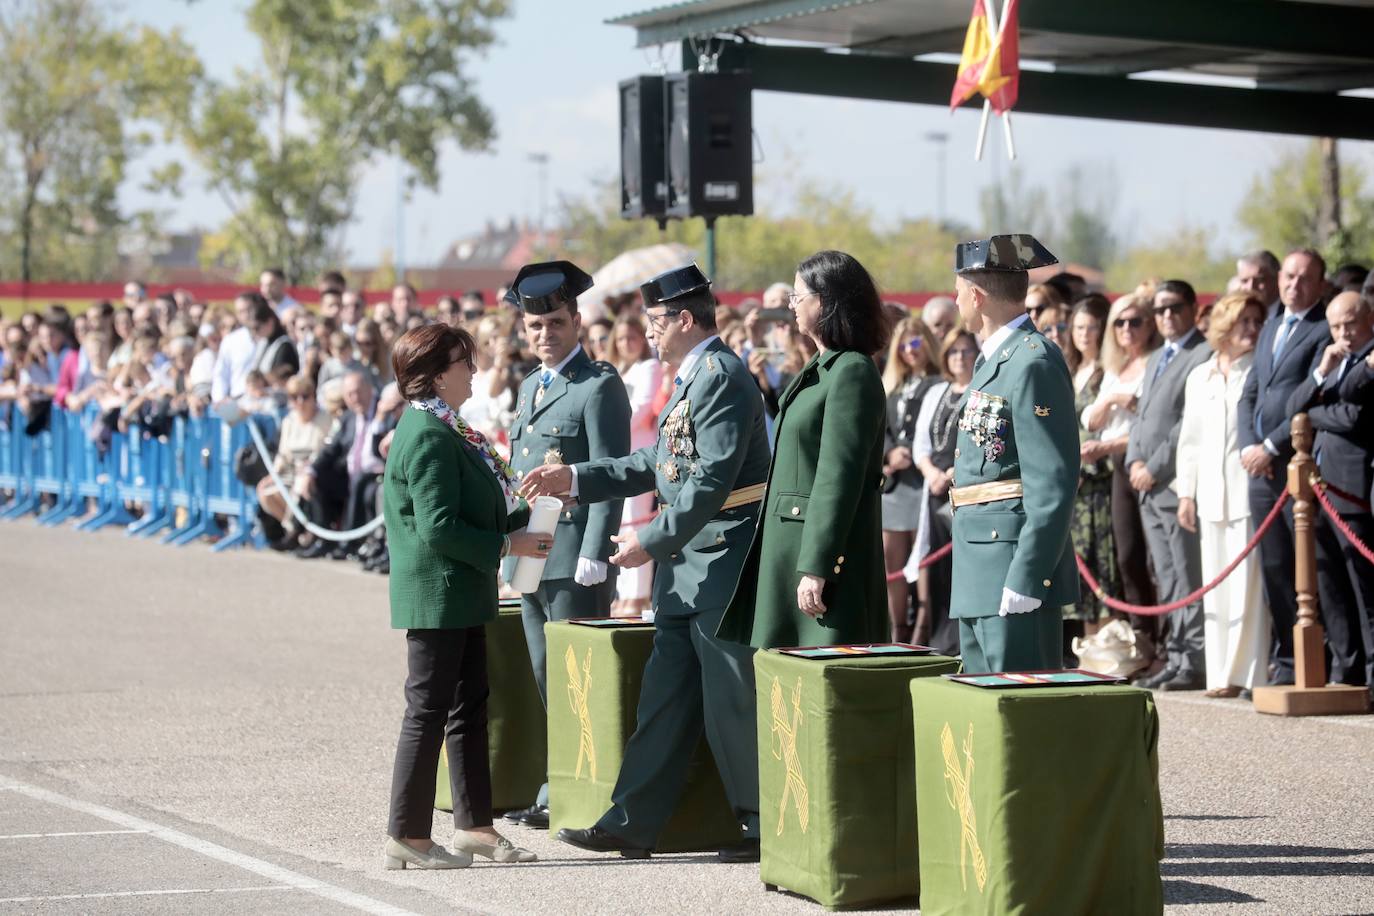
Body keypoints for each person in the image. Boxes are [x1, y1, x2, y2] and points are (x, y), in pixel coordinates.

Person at [521, 262, 771, 863]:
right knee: (664, 699)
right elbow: (653, 462)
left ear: (685, 319)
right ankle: (630, 822)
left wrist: (650, 540)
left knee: (731, 699)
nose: (649, 333)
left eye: (656, 322)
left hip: (721, 556)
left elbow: (710, 480)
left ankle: (762, 823)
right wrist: (573, 477)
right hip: (690, 564)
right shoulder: (691, 378)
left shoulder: (720, 375)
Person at [382, 323, 544, 870]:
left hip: (459, 592)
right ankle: (407, 832)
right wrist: (507, 542)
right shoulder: (428, 434)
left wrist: (526, 509)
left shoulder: (446, 426)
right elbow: (439, 528)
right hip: (439, 593)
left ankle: (473, 826)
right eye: (462, 362)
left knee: (467, 711)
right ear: (433, 375)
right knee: (427, 712)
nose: (472, 370)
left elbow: (474, 504)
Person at [500, 260, 632, 831]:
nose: (544, 335)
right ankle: (560, 783)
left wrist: (595, 549)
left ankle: (590, 787)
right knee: (546, 674)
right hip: (531, 552)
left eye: (555, 323)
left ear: (576, 321)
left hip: (574, 553)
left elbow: (611, 472)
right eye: (535, 327)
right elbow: (519, 473)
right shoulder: (532, 385)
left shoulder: (598, 386)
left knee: (580, 679)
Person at [719, 250, 890, 649]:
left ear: (826, 302)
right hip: (788, 553)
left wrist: (818, 565)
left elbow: (838, 477)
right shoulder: (822, 367)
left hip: (820, 563)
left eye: (799, 296)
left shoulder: (851, 371)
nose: (792, 307)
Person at [946, 235, 1079, 673]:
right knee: (983, 719)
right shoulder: (995, 360)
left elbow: (1052, 482)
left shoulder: (1031, 361)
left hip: (1009, 564)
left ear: (977, 297)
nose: (956, 300)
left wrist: (1030, 574)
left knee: (1020, 715)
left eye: (959, 290)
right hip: (979, 563)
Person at [1238, 248, 1332, 686]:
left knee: (1310, 567)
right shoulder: (1272, 321)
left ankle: (1319, 660)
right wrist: (1247, 446)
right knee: (1274, 567)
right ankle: (1287, 661)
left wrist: (1272, 446)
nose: (1295, 285)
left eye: (1304, 278)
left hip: (1296, 463)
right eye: (1290, 277)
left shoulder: (1323, 327)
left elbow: (1311, 397)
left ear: (1320, 283)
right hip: (1259, 468)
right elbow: (1251, 391)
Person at [1176, 293, 1270, 697]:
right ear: (1224, 327)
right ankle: (1220, 676)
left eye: (1255, 320)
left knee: (1249, 585)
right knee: (1215, 584)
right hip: (1211, 492)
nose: (1251, 329)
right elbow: (1190, 439)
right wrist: (1186, 493)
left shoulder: (1260, 370)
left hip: (1248, 487)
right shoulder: (1201, 376)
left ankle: (1250, 674)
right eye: (1242, 321)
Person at [1127, 280, 1213, 692]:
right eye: (1158, 310)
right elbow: (1143, 418)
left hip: (1174, 481)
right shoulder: (1157, 356)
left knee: (1185, 574)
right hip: (1146, 482)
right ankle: (1176, 654)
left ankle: (1193, 659)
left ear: (1193, 308)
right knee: (1166, 575)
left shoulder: (1202, 353)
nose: (1165, 316)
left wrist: (1154, 467)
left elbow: (1187, 424)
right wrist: (1133, 460)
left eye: (1174, 307)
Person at [1287, 290, 1374, 688]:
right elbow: (1294, 406)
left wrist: (1315, 413)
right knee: (1329, 584)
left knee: (1363, 586)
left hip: (1353, 487)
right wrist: (1321, 373)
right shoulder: (1334, 358)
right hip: (1318, 488)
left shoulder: (1369, 359)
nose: (1344, 333)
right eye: (1337, 325)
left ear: (1368, 320)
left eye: (1351, 324)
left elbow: (1355, 416)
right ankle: (1347, 667)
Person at [1083, 291, 1161, 661]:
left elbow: (1149, 426)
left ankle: (1163, 640)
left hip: (1147, 465)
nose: (1127, 329)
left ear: (1150, 324)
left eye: (1135, 321)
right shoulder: (1114, 368)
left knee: (1156, 560)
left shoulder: (1157, 362)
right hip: (1117, 468)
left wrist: (1107, 438)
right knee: (1127, 556)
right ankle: (1140, 641)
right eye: (1120, 322)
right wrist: (1112, 402)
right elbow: (1091, 420)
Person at [909, 329, 979, 655]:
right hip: (933, 489)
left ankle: (962, 642)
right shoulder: (937, 391)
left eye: (966, 351)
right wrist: (931, 473)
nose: (960, 358)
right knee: (936, 569)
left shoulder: (980, 389)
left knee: (961, 568)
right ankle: (940, 641)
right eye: (954, 352)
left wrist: (952, 473)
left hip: (963, 490)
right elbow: (921, 443)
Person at [879, 315, 942, 642]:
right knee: (893, 560)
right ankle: (897, 628)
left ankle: (923, 627)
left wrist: (909, 452)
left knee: (925, 559)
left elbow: (934, 429)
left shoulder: (938, 383)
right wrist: (890, 453)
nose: (909, 350)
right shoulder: (893, 385)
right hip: (895, 485)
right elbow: (881, 428)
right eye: (903, 345)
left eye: (915, 342)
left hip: (921, 482)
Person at [1066, 294, 1119, 642]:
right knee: (1080, 564)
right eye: (1079, 327)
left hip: (1101, 478)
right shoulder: (1068, 369)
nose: (1085, 334)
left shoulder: (1108, 371)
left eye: (1092, 327)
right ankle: (1087, 647)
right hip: (1072, 483)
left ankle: (1107, 645)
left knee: (1103, 563)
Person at [609, 314, 664, 615]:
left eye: (631, 337)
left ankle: (639, 594)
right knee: (622, 521)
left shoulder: (650, 366)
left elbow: (642, 408)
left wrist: (609, 430)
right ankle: (625, 590)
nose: (626, 343)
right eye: (620, 339)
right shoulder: (619, 369)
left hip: (640, 450)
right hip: (621, 453)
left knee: (637, 521)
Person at [256, 375, 333, 550]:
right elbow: (282, 455)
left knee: (299, 488)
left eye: (305, 396)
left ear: (313, 396)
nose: (300, 401)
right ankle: (293, 528)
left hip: (313, 471)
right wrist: (272, 476)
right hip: (290, 471)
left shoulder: (324, 419)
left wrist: (308, 469)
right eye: (294, 397)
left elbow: (324, 450)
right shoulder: (289, 421)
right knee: (265, 492)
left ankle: (297, 533)